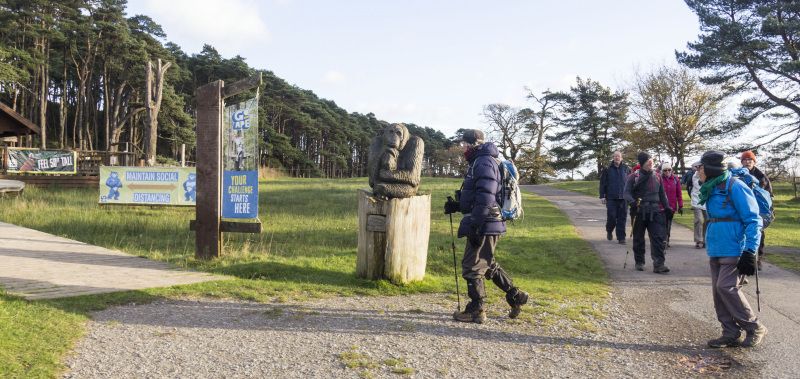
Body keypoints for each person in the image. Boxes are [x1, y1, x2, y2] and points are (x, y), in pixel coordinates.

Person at [446, 129, 529, 324]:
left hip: (484, 222)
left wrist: (475, 224)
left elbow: (486, 196)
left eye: (464, 143)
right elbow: (480, 196)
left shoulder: (483, 161)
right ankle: (516, 296)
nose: (462, 147)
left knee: (472, 266)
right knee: (487, 263)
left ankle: (476, 309)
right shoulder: (481, 160)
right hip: (487, 221)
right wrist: (458, 206)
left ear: (472, 143)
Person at [697, 150, 767, 348]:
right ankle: (730, 332)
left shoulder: (735, 186)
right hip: (716, 247)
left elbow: (754, 219)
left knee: (726, 287)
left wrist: (750, 251)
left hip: (735, 247)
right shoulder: (710, 187)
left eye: (700, 167)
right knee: (718, 292)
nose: (697, 170)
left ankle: (754, 327)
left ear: (709, 169)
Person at [623, 152, 672, 273]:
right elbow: (626, 192)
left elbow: (662, 194)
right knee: (639, 237)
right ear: (642, 163)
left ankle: (659, 264)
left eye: (651, 160)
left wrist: (667, 207)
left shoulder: (657, 176)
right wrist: (632, 202)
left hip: (655, 211)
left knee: (657, 237)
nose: (650, 162)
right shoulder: (633, 177)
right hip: (639, 211)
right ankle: (639, 262)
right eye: (647, 161)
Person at [740, 150, 773, 271]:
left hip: (759, 210)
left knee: (759, 235)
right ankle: (744, 258)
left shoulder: (761, 176)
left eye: (750, 160)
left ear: (754, 162)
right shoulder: (738, 175)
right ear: (742, 162)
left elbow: (768, 195)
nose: (747, 162)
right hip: (743, 209)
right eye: (745, 160)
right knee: (743, 234)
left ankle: (758, 259)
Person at [599, 151, 630, 244]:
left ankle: (621, 238)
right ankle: (609, 230)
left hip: (623, 199)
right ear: (613, 158)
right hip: (611, 198)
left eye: (619, 156)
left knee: (622, 218)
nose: (617, 158)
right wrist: (602, 196)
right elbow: (602, 184)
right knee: (612, 217)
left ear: (621, 158)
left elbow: (630, 184)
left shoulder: (626, 169)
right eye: (615, 156)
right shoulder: (607, 169)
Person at [660, 162, 683, 248]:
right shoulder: (660, 179)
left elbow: (679, 194)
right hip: (661, 205)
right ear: (662, 171)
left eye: (669, 170)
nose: (667, 172)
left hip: (672, 206)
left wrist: (681, 206)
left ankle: (667, 239)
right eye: (665, 170)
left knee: (668, 223)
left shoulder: (675, 180)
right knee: (662, 222)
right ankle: (663, 240)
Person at [687, 161, 708, 249]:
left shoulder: (709, 175)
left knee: (708, 220)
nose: (699, 169)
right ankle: (699, 240)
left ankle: (705, 239)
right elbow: (690, 187)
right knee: (699, 220)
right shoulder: (694, 176)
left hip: (707, 202)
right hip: (696, 201)